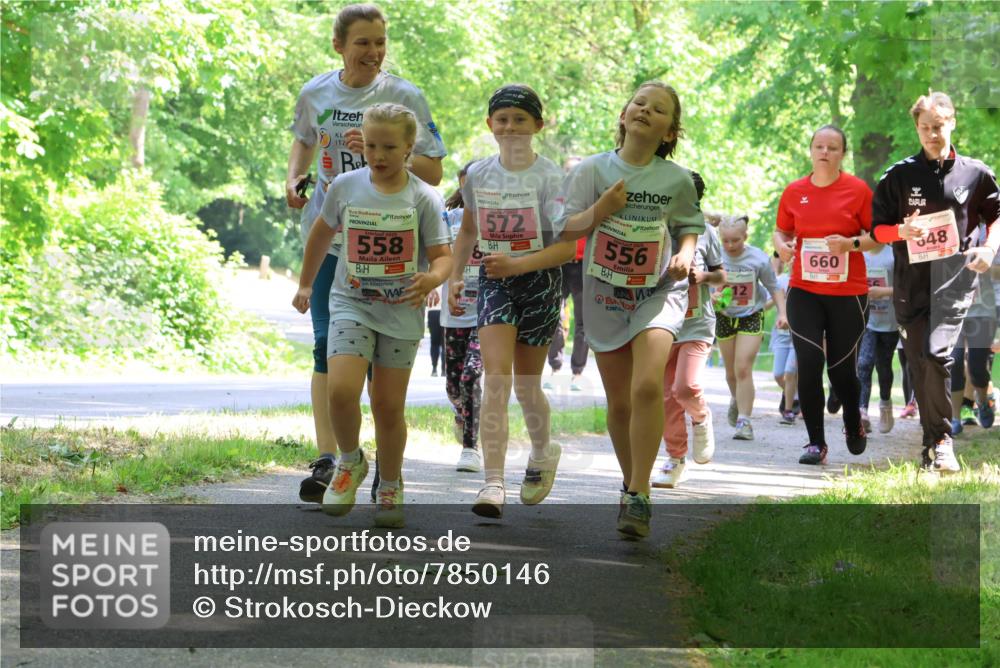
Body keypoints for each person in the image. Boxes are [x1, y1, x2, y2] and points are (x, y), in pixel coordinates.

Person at [286, 3, 446, 504]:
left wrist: (380, 150)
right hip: (332, 234)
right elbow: (303, 142)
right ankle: (332, 460)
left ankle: (386, 471)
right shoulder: (315, 92)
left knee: (381, 371)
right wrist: (294, 179)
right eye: (363, 43)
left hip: (389, 245)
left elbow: (434, 171)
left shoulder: (404, 96)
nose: (374, 52)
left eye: (380, 42)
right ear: (339, 45)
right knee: (328, 349)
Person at [559, 80, 704, 537]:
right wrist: (602, 208)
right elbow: (567, 228)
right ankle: (631, 483)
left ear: (669, 132)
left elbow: (688, 225)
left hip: (658, 291)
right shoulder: (592, 170)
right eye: (639, 103)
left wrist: (685, 253)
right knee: (620, 402)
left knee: (646, 386)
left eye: (658, 109)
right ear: (623, 115)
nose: (645, 110)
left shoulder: (677, 179)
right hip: (605, 293)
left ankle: (640, 493)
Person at [447, 84, 575, 519]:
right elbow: (468, 230)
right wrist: (455, 276)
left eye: (520, 119)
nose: (510, 127)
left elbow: (566, 248)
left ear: (538, 125)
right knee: (497, 379)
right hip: (495, 281)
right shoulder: (479, 175)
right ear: (490, 125)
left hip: (539, 282)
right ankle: (493, 482)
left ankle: (542, 452)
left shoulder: (551, 178)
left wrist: (518, 264)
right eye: (502, 119)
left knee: (526, 385)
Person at [870, 91, 999, 472]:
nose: (932, 134)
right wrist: (900, 231)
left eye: (938, 127)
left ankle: (943, 440)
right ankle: (931, 444)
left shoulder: (975, 173)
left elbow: (996, 215)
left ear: (952, 123)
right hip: (910, 284)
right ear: (917, 128)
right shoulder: (898, 175)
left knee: (938, 354)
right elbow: (877, 230)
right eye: (925, 128)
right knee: (920, 363)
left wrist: (989, 248)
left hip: (955, 280)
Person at [774, 124, 876, 465]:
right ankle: (815, 443)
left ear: (842, 153)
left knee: (841, 371)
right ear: (811, 150)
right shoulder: (794, 191)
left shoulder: (858, 190)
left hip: (848, 293)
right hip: (804, 289)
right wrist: (782, 247)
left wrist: (850, 244)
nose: (825, 152)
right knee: (809, 362)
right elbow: (780, 231)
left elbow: (876, 237)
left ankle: (852, 421)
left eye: (832, 147)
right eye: (819, 146)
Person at [653, 174, 724, 489]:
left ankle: (700, 416)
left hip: (696, 324)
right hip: (661, 322)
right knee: (666, 396)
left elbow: (721, 276)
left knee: (685, 387)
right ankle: (675, 458)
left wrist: (702, 277)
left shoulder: (707, 232)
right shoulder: (653, 229)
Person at [717, 215, 785, 441]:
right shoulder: (714, 255)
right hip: (724, 316)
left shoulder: (757, 258)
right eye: (725, 240)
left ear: (745, 236)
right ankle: (737, 398)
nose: (730, 245)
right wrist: (713, 296)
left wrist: (782, 313)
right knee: (731, 373)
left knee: (743, 368)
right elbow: (703, 282)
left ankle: (744, 421)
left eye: (735, 240)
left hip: (751, 315)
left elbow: (774, 287)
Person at [441, 161, 484, 472]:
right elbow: (433, 253)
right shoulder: (448, 217)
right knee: (454, 386)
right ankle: (462, 412)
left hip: (487, 311)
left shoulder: (498, 218)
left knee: (471, 375)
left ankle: (471, 447)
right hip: (455, 311)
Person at [546, 156, 590, 391]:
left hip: (583, 266)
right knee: (554, 316)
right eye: (568, 170)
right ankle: (555, 368)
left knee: (583, 322)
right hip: (558, 263)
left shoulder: (592, 198)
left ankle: (578, 373)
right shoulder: (554, 198)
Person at [949, 224, 997, 434]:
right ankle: (954, 418)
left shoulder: (991, 231)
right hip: (952, 308)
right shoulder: (951, 225)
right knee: (955, 360)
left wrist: (982, 265)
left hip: (983, 310)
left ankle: (983, 400)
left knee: (977, 366)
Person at [857, 243, 898, 434]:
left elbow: (906, 286)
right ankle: (862, 411)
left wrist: (884, 292)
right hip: (867, 321)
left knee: (884, 366)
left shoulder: (893, 255)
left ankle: (885, 405)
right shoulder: (860, 255)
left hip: (890, 322)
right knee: (864, 363)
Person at [767, 257, 798, 425]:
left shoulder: (807, 283)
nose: (793, 261)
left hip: (798, 336)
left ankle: (788, 410)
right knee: (778, 374)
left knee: (790, 372)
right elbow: (766, 304)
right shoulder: (779, 281)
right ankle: (797, 395)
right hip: (780, 335)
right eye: (790, 258)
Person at [427, 289, 443, 375]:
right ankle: (444, 370)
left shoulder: (429, 281)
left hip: (433, 311)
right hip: (444, 311)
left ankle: (434, 369)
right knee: (445, 343)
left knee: (434, 343)